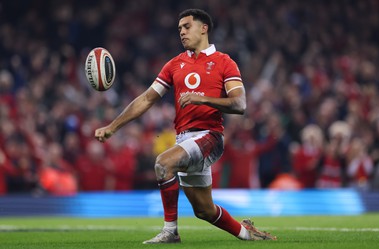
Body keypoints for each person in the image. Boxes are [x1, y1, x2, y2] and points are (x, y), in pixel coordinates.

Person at [95, 9, 277, 244]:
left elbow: (239, 104)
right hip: (184, 139)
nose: (182, 31)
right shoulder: (174, 64)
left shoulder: (224, 62)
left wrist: (203, 98)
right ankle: (246, 233)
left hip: (210, 137)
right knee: (204, 210)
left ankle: (170, 232)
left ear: (204, 28)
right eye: (179, 28)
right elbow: (147, 98)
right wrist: (113, 126)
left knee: (163, 163)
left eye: (187, 26)